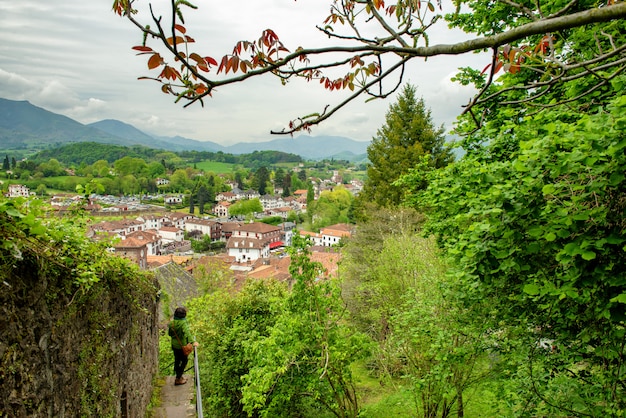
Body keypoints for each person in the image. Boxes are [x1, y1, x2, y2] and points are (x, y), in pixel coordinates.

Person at [168, 307, 199, 386]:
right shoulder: (183, 323)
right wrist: (193, 341)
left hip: (174, 345)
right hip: (182, 346)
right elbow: (187, 332)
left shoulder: (172, 323)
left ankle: (178, 376)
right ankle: (178, 378)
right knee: (184, 361)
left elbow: (169, 334)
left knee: (177, 360)